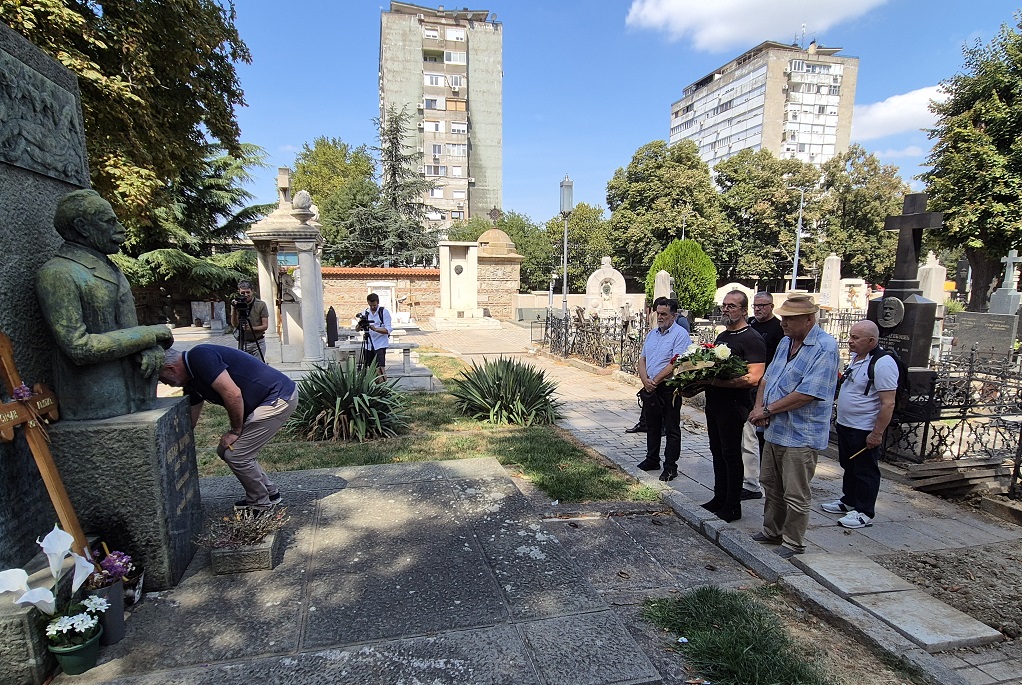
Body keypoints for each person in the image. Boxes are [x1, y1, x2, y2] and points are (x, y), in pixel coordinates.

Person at [36, 189, 174, 420]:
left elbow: (126, 329)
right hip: (96, 403)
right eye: (110, 222)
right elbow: (79, 347)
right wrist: (149, 335)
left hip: (135, 396)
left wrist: (150, 348)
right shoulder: (57, 274)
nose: (120, 228)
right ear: (82, 227)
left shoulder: (110, 268)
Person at [747, 295, 839, 559]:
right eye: (784, 318)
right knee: (770, 482)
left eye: (790, 319)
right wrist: (758, 408)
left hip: (801, 433)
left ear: (809, 319)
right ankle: (771, 530)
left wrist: (767, 410)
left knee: (795, 491)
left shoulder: (825, 347)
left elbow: (807, 394)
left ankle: (793, 541)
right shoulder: (786, 341)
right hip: (775, 428)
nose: (784, 323)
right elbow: (766, 379)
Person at [159, 345, 298, 511]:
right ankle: (270, 492)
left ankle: (260, 505)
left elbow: (233, 394)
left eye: (162, 379)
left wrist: (235, 431)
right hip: (268, 400)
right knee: (224, 451)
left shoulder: (199, 356)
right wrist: (177, 444)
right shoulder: (191, 380)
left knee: (237, 455)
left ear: (171, 368)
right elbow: (191, 418)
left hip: (278, 398)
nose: (166, 384)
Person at [698, 290, 766, 522]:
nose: (726, 309)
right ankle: (719, 496)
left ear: (744, 310)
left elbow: (755, 377)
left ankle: (732, 505)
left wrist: (719, 382)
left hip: (734, 405)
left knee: (731, 453)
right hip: (715, 403)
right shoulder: (723, 336)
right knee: (716, 451)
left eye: (732, 306)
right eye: (724, 306)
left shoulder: (752, 338)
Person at [824, 320, 897, 529]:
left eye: (856, 338)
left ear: (871, 341)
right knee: (849, 465)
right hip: (847, 424)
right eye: (851, 336)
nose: (850, 341)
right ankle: (849, 501)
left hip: (864, 427)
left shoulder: (883, 364)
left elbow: (888, 402)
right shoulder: (858, 358)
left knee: (865, 469)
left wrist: (877, 433)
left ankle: (864, 511)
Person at [636, 297, 692, 482]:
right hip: (650, 386)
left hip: (668, 387)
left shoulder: (680, 335)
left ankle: (670, 466)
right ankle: (652, 459)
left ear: (674, 315)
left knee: (671, 427)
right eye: (658, 313)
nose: (659, 317)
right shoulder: (652, 334)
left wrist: (656, 380)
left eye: (664, 314)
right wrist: (645, 380)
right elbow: (642, 359)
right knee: (652, 425)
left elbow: (676, 362)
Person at [739, 292, 785, 499]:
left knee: (761, 436)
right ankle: (751, 478)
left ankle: (760, 480)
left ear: (772, 306)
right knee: (749, 436)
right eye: (755, 306)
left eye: (762, 306)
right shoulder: (750, 325)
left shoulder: (778, 329)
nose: (758, 309)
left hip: (767, 386)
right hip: (748, 388)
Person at [230, 280, 269, 358]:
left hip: (258, 342)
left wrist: (251, 328)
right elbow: (235, 324)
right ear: (239, 292)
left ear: (252, 291)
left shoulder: (261, 304)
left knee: (258, 367)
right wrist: (234, 309)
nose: (246, 295)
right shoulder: (237, 304)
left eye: (248, 292)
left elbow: (265, 326)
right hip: (243, 342)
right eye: (243, 293)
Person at [358, 293, 392, 380]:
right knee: (371, 369)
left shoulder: (384, 312)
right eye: (370, 305)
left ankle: (384, 389)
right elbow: (357, 329)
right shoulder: (365, 312)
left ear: (378, 302)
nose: (372, 307)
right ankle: (377, 388)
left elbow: (388, 330)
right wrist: (360, 323)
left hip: (380, 344)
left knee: (380, 369)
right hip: (368, 344)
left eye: (374, 305)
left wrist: (375, 329)